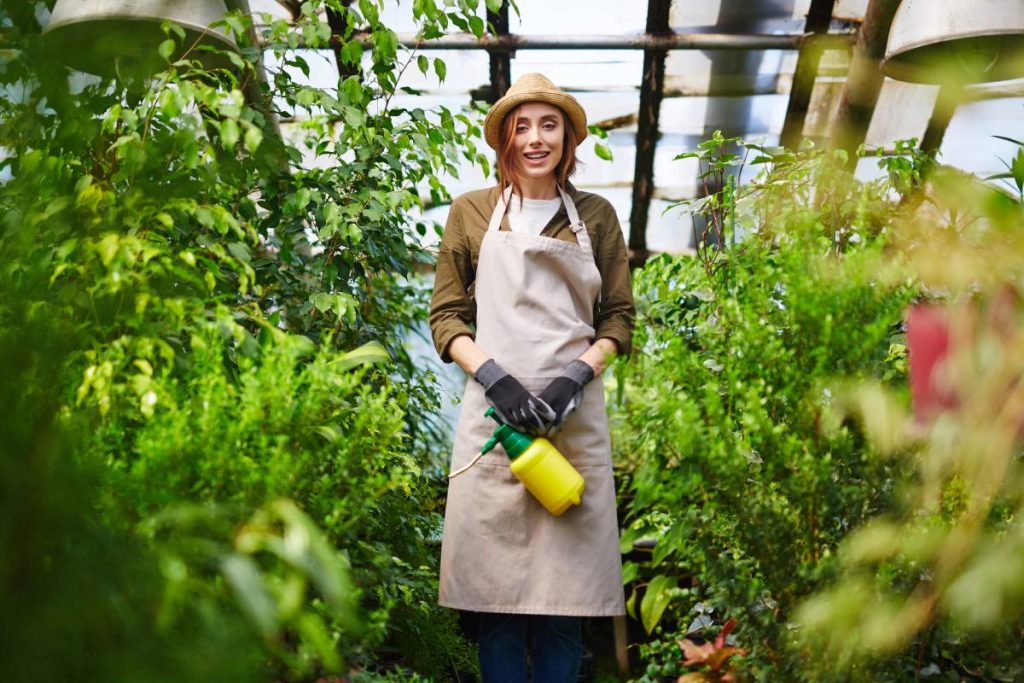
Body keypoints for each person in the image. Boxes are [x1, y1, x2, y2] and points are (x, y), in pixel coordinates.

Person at [428, 72, 635, 682]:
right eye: (523, 126)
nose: (536, 139)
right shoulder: (472, 212)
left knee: (561, 606)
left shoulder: (595, 215)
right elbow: (446, 316)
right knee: (495, 606)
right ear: (506, 139)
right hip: (496, 426)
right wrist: (498, 379)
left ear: (568, 139)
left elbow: (618, 317)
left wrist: (575, 377)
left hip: (571, 427)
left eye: (550, 125)